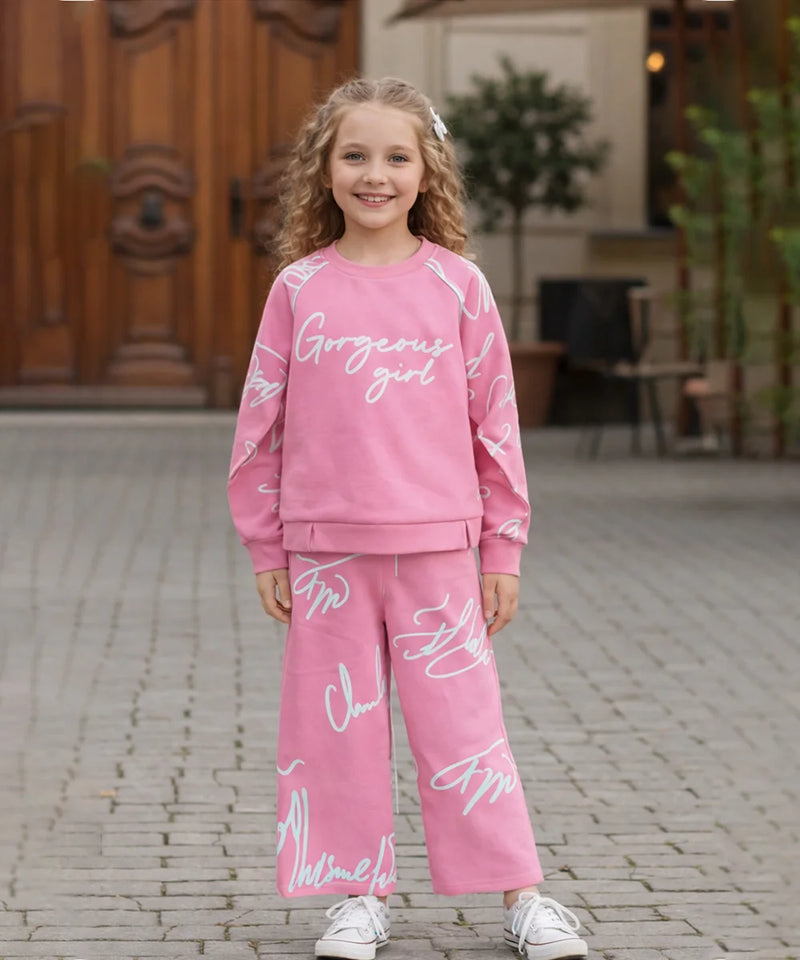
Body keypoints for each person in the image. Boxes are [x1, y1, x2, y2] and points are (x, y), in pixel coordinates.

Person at [228, 76, 588, 960]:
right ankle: (358, 895)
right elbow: (258, 429)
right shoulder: (298, 289)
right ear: (326, 170)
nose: (375, 174)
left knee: (465, 730)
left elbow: (496, 427)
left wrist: (503, 546)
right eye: (355, 155)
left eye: (397, 157)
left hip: (439, 551)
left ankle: (524, 896)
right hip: (325, 554)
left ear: (428, 173)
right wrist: (265, 543)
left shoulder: (460, 289)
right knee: (335, 733)